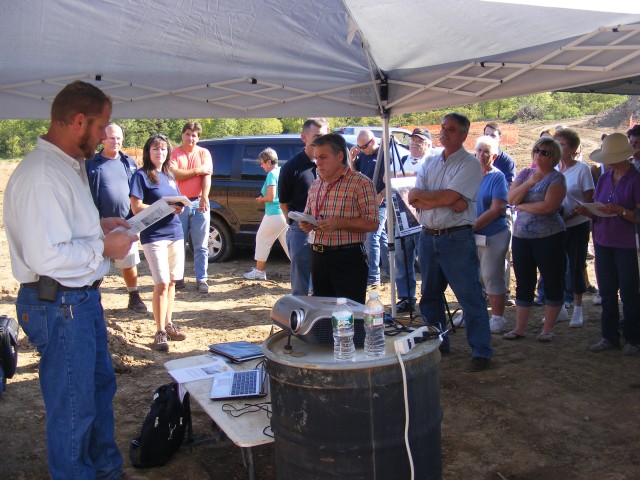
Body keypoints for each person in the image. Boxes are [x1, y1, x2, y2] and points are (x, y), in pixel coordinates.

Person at [3, 80, 136, 479]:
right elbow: (47, 255)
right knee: (75, 408)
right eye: (101, 127)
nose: (104, 136)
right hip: (59, 304)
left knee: (96, 391)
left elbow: (62, 232)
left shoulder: (68, 164)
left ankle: (106, 472)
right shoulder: (43, 174)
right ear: (79, 120)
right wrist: (102, 248)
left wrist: (100, 227)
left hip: (75, 301)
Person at [408, 112, 493, 372]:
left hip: (456, 237)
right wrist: (443, 198)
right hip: (428, 235)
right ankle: (438, 342)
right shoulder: (430, 162)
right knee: (430, 296)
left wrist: (439, 197)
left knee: (469, 296)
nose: (444, 132)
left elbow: (447, 196)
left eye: (452, 129)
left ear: (464, 135)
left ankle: (481, 351)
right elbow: (412, 196)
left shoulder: (469, 164)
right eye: (443, 128)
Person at [577, 133, 640, 355]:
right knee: (607, 291)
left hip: (627, 243)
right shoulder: (605, 178)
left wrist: (621, 211)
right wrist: (589, 211)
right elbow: (601, 206)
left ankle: (633, 338)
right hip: (604, 240)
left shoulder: (636, 179)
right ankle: (609, 335)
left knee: (630, 292)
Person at [299, 133, 378, 304]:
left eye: (323, 157)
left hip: (347, 258)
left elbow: (372, 223)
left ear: (340, 156)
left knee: (349, 316)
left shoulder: (361, 183)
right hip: (318, 256)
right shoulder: (316, 184)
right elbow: (309, 214)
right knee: (323, 314)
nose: (318, 163)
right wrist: (307, 223)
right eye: (316, 158)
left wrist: (340, 223)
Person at [503, 137, 566, 343]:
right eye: (537, 150)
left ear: (554, 157)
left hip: (549, 236)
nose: (539, 154)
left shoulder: (557, 179)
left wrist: (523, 207)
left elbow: (549, 207)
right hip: (522, 236)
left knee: (551, 279)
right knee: (524, 281)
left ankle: (548, 329)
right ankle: (520, 328)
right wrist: (529, 183)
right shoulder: (525, 174)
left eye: (545, 152)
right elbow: (511, 199)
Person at [130, 135, 187, 352]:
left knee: (172, 282)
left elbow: (173, 201)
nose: (159, 153)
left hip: (175, 232)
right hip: (154, 236)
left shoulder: (169, 175)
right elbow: (136, 208)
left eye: (163, 150)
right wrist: (164, 206)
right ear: (148, 152)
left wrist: (177, 206)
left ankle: (168, 324)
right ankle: (160, 331)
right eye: (155, 149)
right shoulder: (141, 176)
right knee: (161, 283)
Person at [86, 123, 147, 313]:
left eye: (119, 138)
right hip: (97, 223)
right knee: (94, 261)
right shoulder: (91, 163)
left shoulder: (128, 162)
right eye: (111, 138)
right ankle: (91, 297)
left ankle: (133, 295)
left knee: (128, 262)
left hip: (125, 222)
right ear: (102, 140)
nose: (116, 141)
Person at [278, 117, 330, 296]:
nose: (321, 140)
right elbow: (283, 203)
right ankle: (300, 317)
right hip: (301, 231)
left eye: (324, 135)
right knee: (301, 283)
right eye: (317, 136)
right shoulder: (291, 167)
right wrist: (295, 223)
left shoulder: (333, 164)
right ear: (304, 138)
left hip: (329, 229)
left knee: (324, 280)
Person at [555, 128, 594, 327]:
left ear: (572, 149)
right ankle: (560, 307)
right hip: (557, 226)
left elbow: (588, 201)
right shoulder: (553, 170)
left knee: (576, 265)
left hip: (577, 225)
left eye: (562, 144)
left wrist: (570, 215)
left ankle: (578, 309)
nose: (558, 148)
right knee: (557, 266)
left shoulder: (582, 169)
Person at [472, 135, 510, 334]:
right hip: (473, 234)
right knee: (473, 276)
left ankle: (497, 318)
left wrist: (474, 226)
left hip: (494, 234)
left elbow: (497, 209)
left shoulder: (498, 177)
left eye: (486, 151)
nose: (481, 154)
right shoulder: (470, 175)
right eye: (479, 150)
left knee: (491, 275)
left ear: (494, 155)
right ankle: (475, 313)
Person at [392, 127, 432, 313]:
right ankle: (406, 297)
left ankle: (429, 295)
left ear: (428, 144)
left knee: (425, 260)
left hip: (424, 219)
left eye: (420, 141)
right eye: (413, 140)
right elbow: (388, 178)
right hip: (403, 218)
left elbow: (429, 182)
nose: (415, 143)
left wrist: (406, 177)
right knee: (402, 259)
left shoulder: (431, 162)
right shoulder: (403, 160)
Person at [169, 122, 212, 293]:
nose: (190, 138)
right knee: (178, 242)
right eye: (188, 134)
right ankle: (178, 278)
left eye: (194, 135)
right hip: (179, 202)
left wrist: (205, 197)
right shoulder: (174, 153)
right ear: (182, 135)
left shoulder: (204, 153)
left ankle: (202, 279)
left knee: (201, 245)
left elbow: (206, 176)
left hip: (199, 201)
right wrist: (197, 170)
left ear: (198, 137)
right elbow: (175, 173)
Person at [243, 148, 290, 280]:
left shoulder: (271, 175)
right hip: (284, 214)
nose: (261, 166)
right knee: (288, 245)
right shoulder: (282, 171)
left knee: (262, 239)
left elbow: (271, 196)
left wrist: (261, 199)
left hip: (274, 213)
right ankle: (305, 271)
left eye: (262, 163)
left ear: (269, 162)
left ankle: (259, 271)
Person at [350, 129, 389, 288]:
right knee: (381, 238)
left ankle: (373, 277)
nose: (362, 150)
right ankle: (390, 269)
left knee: (371, 238)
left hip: (380, 204)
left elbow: (393, 179)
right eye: (359, 147)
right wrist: (352, 159)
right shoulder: (364, 155)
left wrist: (382, 194)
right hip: (367, 203)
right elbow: (355, 174)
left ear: (373, 141)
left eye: (363, 147)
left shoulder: (385, 155)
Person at [483, 122, 517, 306]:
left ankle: (505, 292)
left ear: (500, 138)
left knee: (502, 255)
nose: (489, 138)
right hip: (481, 215)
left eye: (493, 135)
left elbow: (510, 189)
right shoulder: (477, 158)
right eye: (486, 134)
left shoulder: (506, 161)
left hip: (501, 214)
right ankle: (486, 291)